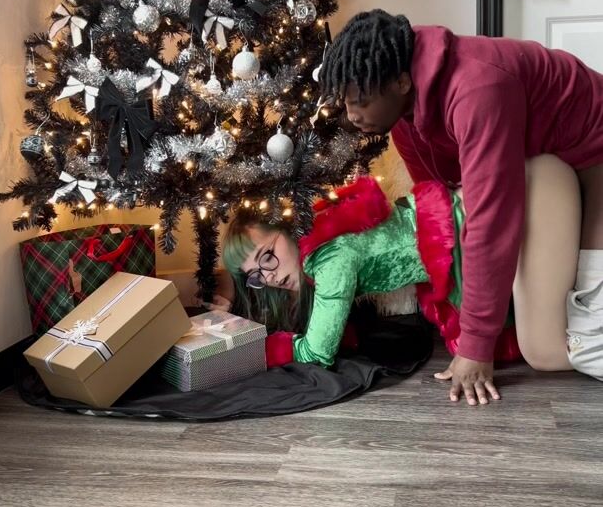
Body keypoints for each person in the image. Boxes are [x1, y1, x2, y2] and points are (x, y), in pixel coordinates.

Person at [319, 11, 603, 403]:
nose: (353, 116)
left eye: (361, 102)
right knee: (544, 337)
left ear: (401, 82)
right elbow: (444, 202)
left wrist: (476, 346)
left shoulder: (477, 89)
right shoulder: (403, 114)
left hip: (595, 163)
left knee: (579, 340)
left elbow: (491, 220)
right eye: (346, 103)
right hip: (555, 174)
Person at [222, 157, 583, 406]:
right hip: (482, 216)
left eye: (267, 256)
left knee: (543, 351)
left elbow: (318, 353)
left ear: (287, 229)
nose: (269, 276)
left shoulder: (331, 260)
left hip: (489, 218)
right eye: (255, 275)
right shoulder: (322, 242)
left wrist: (257, 352)